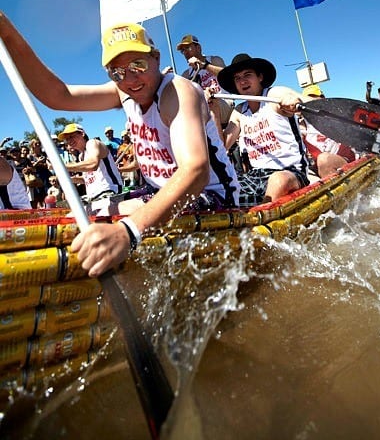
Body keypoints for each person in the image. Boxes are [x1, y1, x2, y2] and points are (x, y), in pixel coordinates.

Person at [0, 14, 239, 277]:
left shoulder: (177, 92)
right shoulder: (123, 92)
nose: (130, 80)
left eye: (138, 64)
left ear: (156, 58)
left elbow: (195, 171)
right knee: (84, 214)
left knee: (120, 212)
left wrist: (128, 231)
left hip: (213, 196)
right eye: (117, 72)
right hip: (155, 193)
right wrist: (7, 33)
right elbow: (58, 96)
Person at [214, 53, 309, 206]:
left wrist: (292, 101)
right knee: (219, 185)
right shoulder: (239, 111)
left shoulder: (273, 95)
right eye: (237, 78)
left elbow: (290, 97)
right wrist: (214, 111)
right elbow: (222, 145)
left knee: (279, 181)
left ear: (260, 77)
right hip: (256, 176)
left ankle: (258, 225)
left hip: (290, 172)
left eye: (247, 75)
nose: (242, 81)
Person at [176, 33, 234, 129]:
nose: (185, 52)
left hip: (223, 102)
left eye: (188, 48)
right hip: (203, 109)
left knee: (209, 103)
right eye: (183, 50)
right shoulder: (186, 74)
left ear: (198, 47)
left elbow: (227, 76)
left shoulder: (214, 60)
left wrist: (205, 66)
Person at [298, 84, 357, 178]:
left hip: (343, 160)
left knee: (324, 159)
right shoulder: (301, 124)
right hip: (317, 166)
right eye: (308, 99)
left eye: (314, 97)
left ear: (323, 98)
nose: (311, 101)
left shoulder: (336, 116)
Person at [58, 123, 123, 202]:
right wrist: (70, 179)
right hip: (95, 196)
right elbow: (87, 178)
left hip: (109, 192)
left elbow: (93, 164)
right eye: (67, 139)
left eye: (71, 136)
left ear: (82, 134)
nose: (69, 141)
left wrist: (60, 166)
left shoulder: (92, 143)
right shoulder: (81, 156)